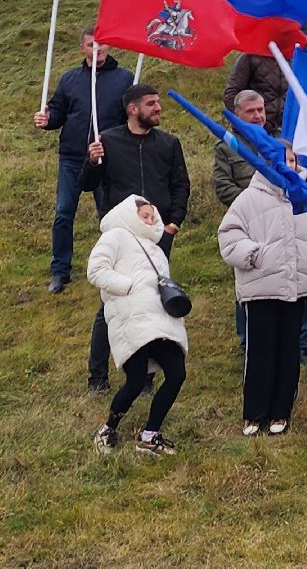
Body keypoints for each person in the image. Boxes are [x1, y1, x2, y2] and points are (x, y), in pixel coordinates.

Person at [80, 84, 190, 393]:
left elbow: (181, 186)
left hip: (157, 238)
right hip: (121, 238)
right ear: (133, 109)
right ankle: (97, 377)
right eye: (151, 103)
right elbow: (87, 183)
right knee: (110, 307)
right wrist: (92, 160)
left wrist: (172, 226)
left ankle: (145, 377)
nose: (158, 108)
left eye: (158, 102)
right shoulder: (109, 141)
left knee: (154, 307)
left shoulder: (169, 144)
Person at [218, 146, 307, 436]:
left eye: (291, 160)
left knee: (289, 351)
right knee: (260, 352)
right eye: (280, 161)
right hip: (260, 288)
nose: (287, 165)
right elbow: (229, 235)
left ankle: (281, 412)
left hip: (296, 287)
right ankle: (254, 414)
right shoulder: (248, 198)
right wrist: (254, 255)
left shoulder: (306, 197)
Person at [87, 195, 188, 456]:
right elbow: (96, 270)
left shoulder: (157, 249)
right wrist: (128, 287)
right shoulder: (115, 236)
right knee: (135, 381)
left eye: (152, 215)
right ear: (129, 214)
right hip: (131, 320)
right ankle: (108, 428)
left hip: (160, 321)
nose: (150, 219)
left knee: (177, 372)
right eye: (144, 215)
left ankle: (150, 434)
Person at [34, 28, 132, 293]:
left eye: (101, 46)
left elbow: (130, 118)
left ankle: (112, 267)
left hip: (105, 157)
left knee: (109, 216)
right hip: (72, 158)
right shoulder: (70, 79)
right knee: (64, 213)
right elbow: (57, 112)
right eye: (91, 46)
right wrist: (47, 119)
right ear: (82, 48)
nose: (97, 50)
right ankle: (60, 271)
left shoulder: (125, 79)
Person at [214, 90, 264, 350]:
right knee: (245, 279)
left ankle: (302, 342)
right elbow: (223, 186)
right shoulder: (226, 146)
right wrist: (254, 204)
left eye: (260, 110)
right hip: (245, 223)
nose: (257, 116)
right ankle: (247, 340)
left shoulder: (279, 140)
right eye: (250, 111)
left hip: (280, 220)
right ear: (237, 115)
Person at [223, 54, 285, 133]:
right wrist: (241, 123)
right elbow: (231, 94)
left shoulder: (294, 59)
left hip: (284, 130)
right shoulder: (249, 57)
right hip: (253, 129)